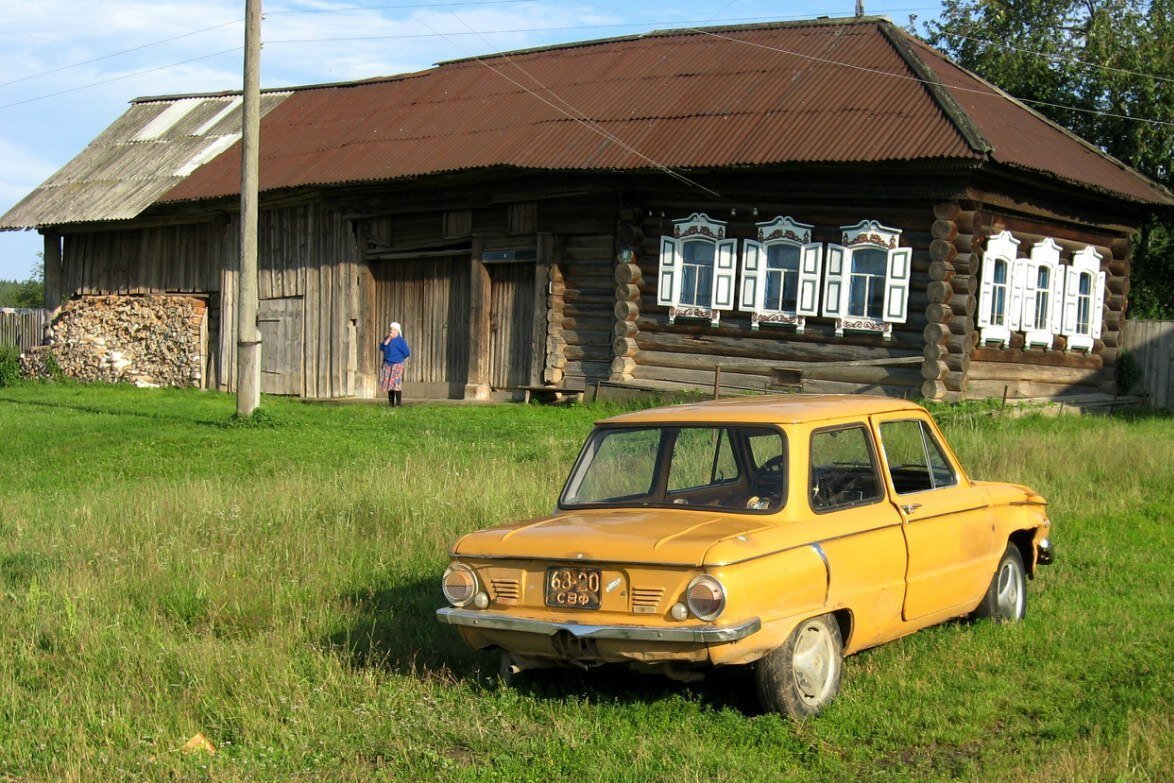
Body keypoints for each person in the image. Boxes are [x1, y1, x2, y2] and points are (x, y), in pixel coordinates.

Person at [379, 321, 411, 406]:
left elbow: (407, 352)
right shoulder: (387, 339)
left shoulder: (400, 341)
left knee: (396, 383)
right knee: (389, 383)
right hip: (388, 363)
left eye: (394, 330)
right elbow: (382, 347)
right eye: (391, 329)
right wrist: (388, 339)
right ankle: (391, 404)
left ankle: (399, 404)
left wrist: (399, 358)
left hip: (397, 364)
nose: (392, 331)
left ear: (397, 331)